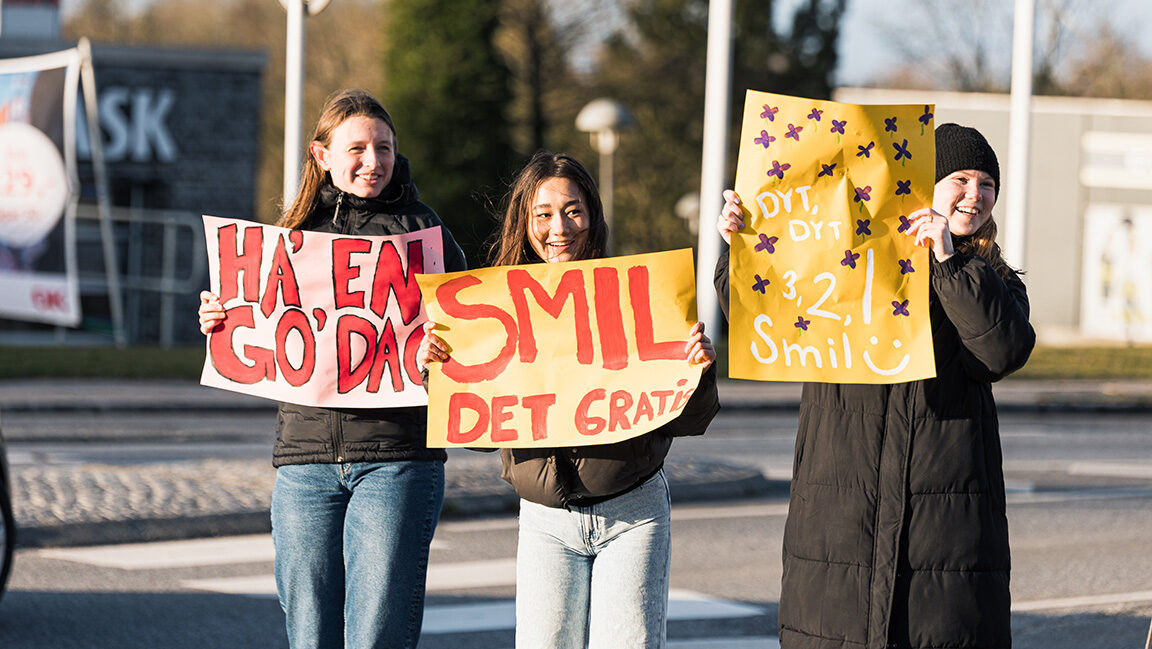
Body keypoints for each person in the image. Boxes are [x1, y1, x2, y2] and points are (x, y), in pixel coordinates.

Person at [714, 123, 1034, 649]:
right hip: (840, 513)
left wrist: (948, 262)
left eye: (986, 184)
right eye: (959, 179)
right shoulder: (846, 260)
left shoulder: (991, 277)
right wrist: (742, 248)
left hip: (944, 531)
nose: (973, 195)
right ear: (923, 184)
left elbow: (1001, 351)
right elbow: (759, 322)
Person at [417, 150, 720, 649]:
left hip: (633, 513)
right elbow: (479, 438)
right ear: (525, 221)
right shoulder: (496, 310)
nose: (560, 226)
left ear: (593, 217)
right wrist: (443, 373)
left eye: (573, 210)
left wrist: (698, 370)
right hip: (545, 524)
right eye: (544, 213)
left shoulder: (634, 298)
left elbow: (693, 420)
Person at [198, 88, 467, 649]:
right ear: (321, 155)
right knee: (309, 634)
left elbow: (469, 337)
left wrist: (440, 353)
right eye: (358, 148)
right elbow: (261, 320)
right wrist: (220, 316)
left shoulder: (427, 236)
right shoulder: (290, 235)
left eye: (385, 148)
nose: (374, 161)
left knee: (375, 635)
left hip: (397, 459)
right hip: (305, 463)